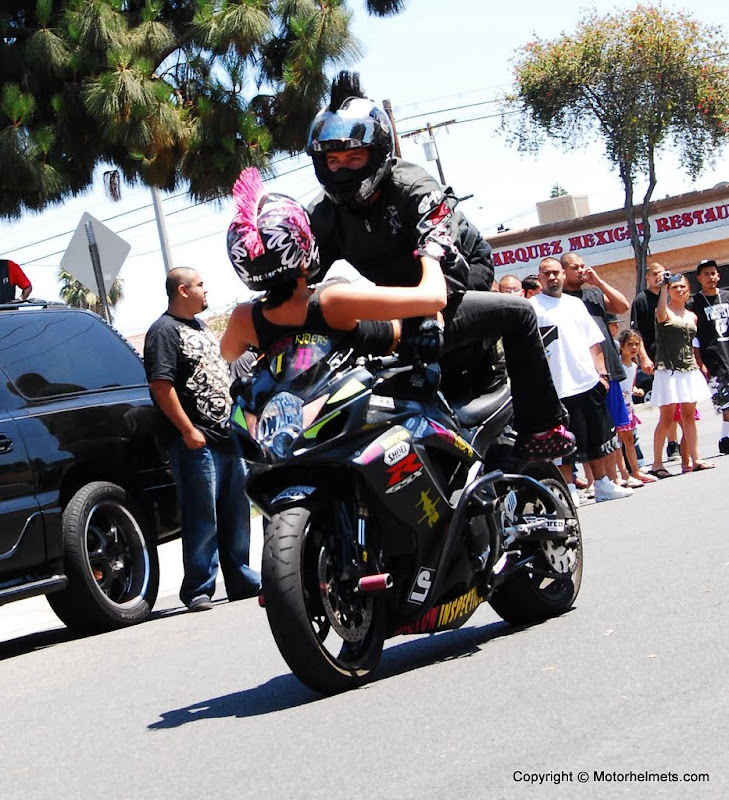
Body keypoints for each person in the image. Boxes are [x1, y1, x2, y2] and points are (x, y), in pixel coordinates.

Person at [304, 72, 573, 461]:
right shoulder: (323, 213)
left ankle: (542, 425)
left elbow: (442, 251)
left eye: (354, 157)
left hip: (458, 273)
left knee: (517, 313)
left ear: (377, 153)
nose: (342, 170)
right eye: (333, 160)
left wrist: (432, 315)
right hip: (402, 296)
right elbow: (301, 273)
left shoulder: (414, 186)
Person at [143, 267, 261, 612]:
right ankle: (198, 587)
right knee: (201, 516)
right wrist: (188, 431)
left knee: (236, 513)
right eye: (200, 285)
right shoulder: (163, 331)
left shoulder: (201, 327)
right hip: (196, 442)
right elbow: (160, 386)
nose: (205, 290)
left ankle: (240, 578)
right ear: (182, 291)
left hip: (227, 437)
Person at [530, 258, 633, 505]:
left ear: (563, 275)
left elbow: (593, 342)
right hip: (557, 388)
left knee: (596, 437)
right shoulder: (532, 307)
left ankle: (602, 484)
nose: (552, 277)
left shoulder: (575, 304)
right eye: (546, 274)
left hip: (588, 382)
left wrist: (602, 375)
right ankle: (569, 490)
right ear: (539, 278)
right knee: (563, 443)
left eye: (556, 273)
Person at [560, 253, 631, 486]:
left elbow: (622, 306)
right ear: (563, 271)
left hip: (608, 366)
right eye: (575, 267)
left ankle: (616, 477)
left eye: (583, 266)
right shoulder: (561, 300)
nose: (581, 270)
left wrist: (599, 282)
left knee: (613, 429)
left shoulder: (593, 294)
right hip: (583, 375)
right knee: (591, 431)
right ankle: (596, 481)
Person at [647, 273, 713, 478]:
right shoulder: (664, 311)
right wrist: (662, 288)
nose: (680, 290)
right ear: (669, 290)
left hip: (689, 369)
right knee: (666, 418)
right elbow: (660, 314)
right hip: (668, 370)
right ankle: (657, 463)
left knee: (689, 416)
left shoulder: (692, 315)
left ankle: (696, 458)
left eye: (683, 287)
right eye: (675, 287)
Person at [631, 261, 681, 460]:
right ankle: (671, 444)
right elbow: (636, 332)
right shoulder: (641, 300)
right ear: (648, 277)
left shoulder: (671, 294)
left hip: (676, 355)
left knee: (681, 401)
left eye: (662, 273)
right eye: (654, 274)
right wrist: (643, 357)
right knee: (668, 402)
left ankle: (684, 445)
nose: (659, 277)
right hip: (656, 357)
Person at [688, 258, 729, 455]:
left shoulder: (726, 296)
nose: (710, 277)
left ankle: (725, 439)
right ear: (699, 278)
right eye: (706, 274)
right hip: (714, 359)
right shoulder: (693, 303)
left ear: (718, 275)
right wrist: (699, 362)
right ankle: (725, 440)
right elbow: (693, 337)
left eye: (713, 273)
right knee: (726, 404)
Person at [616, 330, 657, 485]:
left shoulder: (633, 366)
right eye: (630, 344)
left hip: (629, 407)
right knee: (618, 441)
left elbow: (630, 385)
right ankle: (623, 473)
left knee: (629, 439)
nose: (634, 348)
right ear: (621, 346)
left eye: (636, 344)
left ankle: (636, 471)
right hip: (618, 407)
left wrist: (635, 390)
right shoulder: (617, 364)